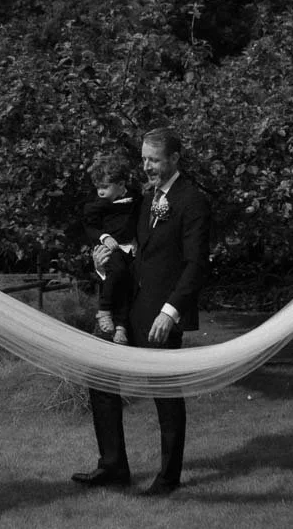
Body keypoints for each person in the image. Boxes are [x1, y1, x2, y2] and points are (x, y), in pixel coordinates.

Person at [72, 127, 212, 497]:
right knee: (99, 376)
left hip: (161, 315)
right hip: (127, 308)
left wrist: (171, 312)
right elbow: (134, 254)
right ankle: (113, 467)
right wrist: (104, 264)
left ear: (174, 159)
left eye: (154, 159)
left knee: (164, 393)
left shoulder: (192, 200)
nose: (146, 166)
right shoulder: (146, 199)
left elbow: (195, 265)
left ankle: (168, 478)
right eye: (144, 159)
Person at [82, 151, 142, 344]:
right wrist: (104, 237)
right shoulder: (99, 205)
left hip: (131, 252)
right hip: (112, 248)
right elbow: (89, 226)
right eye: (97, 187)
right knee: (116, 271)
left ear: (121, 185)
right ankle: (104, 311)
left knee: (126, 283)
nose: (100, 192)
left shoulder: (137, 200)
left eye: (105, 187)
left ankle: (121, 327)